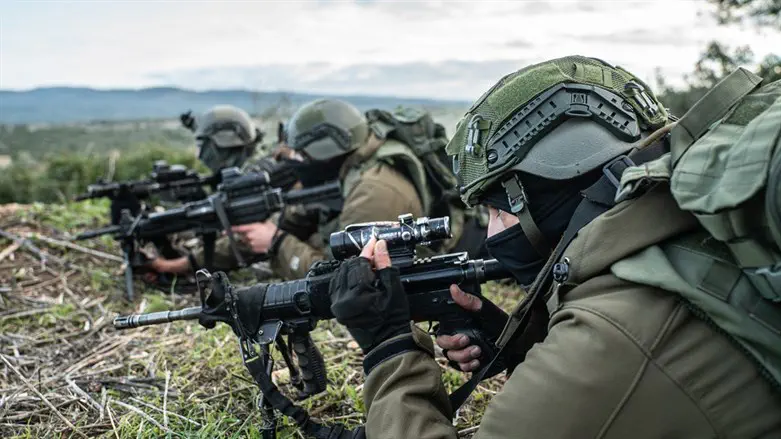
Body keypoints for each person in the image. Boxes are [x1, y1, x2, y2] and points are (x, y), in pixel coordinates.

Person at [326, 56, 781, 438]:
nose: (490, 235)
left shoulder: (616, 335)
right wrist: (523, 343)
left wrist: (389, 350)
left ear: (544, 194)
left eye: (496, 209)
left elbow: (625, 358)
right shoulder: (695, 224)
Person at [231, 98, 486, 280]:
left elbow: (347, 280)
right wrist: (197, 260)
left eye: (302, 156)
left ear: (327, 153)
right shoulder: (347, 167)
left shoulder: (373, 190)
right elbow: (293, 219)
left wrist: (277, 243)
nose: (296, 163)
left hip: (474, 248)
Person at [144, 104, 292, 276]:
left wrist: (171, 265)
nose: (200, 154)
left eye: (205, 145)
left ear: (224, 145)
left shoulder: (256, 177)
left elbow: (240, 241)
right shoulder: (253, 167)